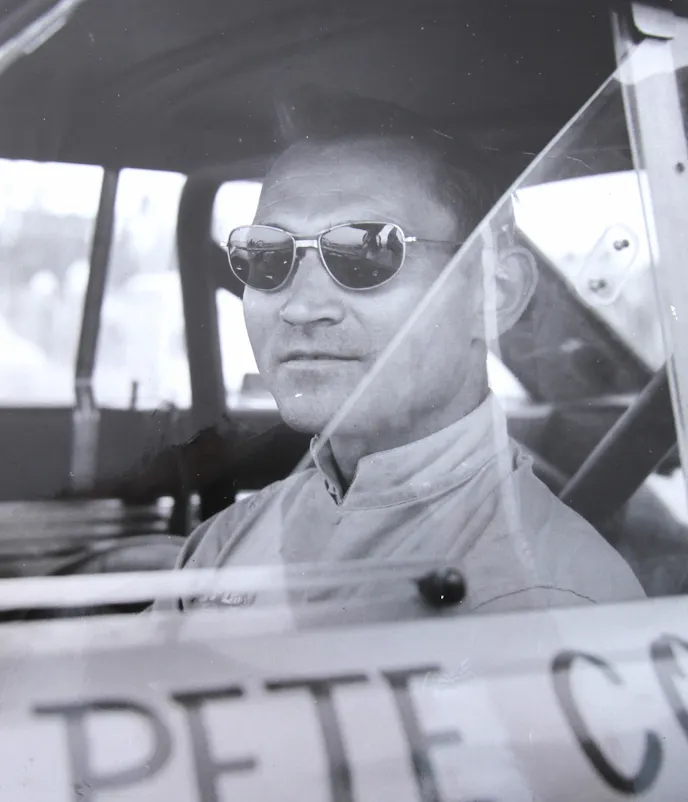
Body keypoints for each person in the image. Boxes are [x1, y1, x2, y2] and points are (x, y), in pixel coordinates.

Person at [152, 89, 645, 615]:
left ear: (493, 292)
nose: (300, 308)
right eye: (267, 256)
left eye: (366, 253)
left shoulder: (545, 601)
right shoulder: (224, 544)